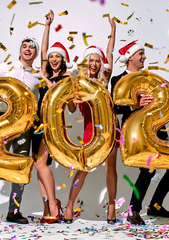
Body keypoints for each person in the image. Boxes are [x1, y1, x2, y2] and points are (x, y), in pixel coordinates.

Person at [111, 42, 169, 225]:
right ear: (131, 57)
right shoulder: (118, 79)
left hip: (158, 129)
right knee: (148, 169)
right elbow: (114, 106)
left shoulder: (149, 78)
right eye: (141, 54)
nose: (144, 57)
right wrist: (134, 105)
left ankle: (155, 204)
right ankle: (134, 210)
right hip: (136, 133)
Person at [0, 37, 41, 226]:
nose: (28, 49)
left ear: (36, 53)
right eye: (25, 46)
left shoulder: (38, 75)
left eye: (32, 47)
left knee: (19, 166)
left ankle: (14, 211)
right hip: (2, 121)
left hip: (24, 127)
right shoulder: (6, 67)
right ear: (20, 50)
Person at [63, 16, 117, 224]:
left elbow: (110, 54)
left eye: (97, 60)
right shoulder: (78, 82)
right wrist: (68, 94)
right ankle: (69, 206)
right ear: (86, 62)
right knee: (83, 168)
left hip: (110, 128)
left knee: (110, 168)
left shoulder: (104, 78)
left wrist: (113, 30)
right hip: (89, 129)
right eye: (91, 60)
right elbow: (71, 108)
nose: (94, 63)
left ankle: (111, 208)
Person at [32, 10, 73, 224]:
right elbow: (44, 52)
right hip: (39, 122)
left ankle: (54, 206)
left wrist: (46, 80)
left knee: (40, 164)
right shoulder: (47, 72)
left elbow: (59, 96)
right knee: (38, 165)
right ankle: (47, 207)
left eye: (57, 57)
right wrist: (47, 26)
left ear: (63, 59)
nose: (53, 59)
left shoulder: (67, 77)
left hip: (53, 124)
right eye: (51, 57)